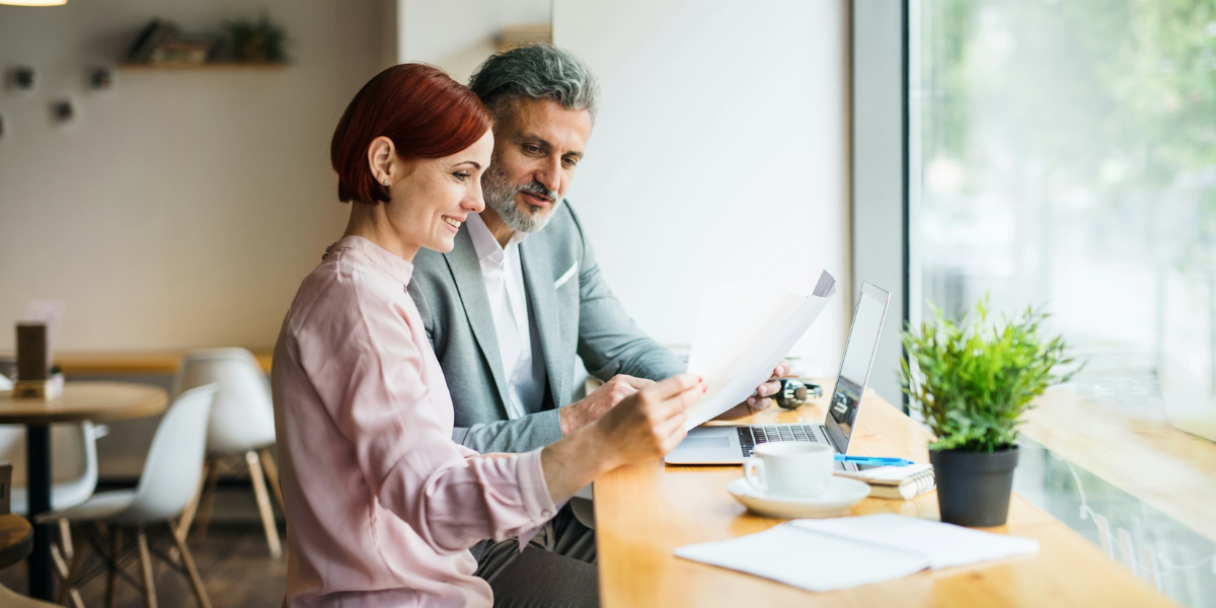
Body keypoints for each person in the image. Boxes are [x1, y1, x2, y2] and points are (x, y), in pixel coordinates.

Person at [271, 63, 703, 608]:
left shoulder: (376, 290)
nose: (476, 201)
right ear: (385, 163)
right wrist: (592, 443)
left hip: (442, 576)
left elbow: (434, 459)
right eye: (460, 175)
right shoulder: (359, 305)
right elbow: (432, 497)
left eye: (478, 175)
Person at [406, 44, 787, 574]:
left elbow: (621, 345)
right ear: (481, 134)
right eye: (534, 149)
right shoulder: (416, 264)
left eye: (570, 159)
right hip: (469, 542)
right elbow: (425, 455)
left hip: (557, 510)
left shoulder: (559, 230)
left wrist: (717, 387)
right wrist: (577, 419)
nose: (553, 181)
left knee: (711, 564)